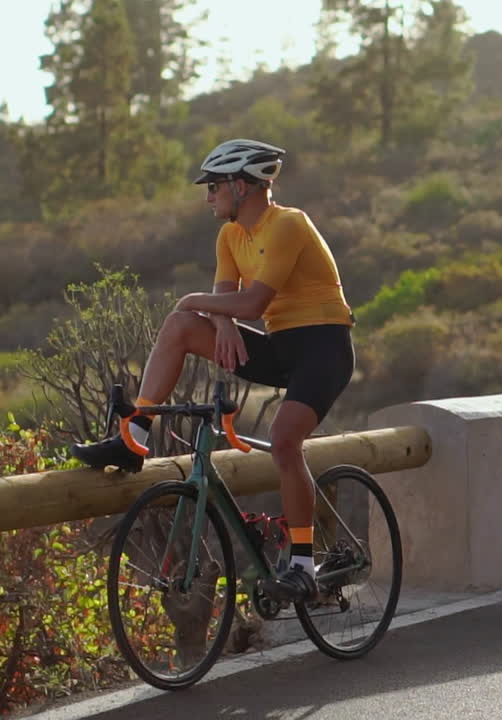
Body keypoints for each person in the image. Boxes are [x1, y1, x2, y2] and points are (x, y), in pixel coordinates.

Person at [70, 138, 356, 604]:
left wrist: (198, 302)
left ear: (241, 186)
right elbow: (226, 297)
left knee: (285, 441)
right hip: (280, 346)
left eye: (213, 187)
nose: (208, 198)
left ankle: (303, 566)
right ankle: (134, 435)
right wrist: (219, 320)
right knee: (181, 326)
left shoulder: (289, 224)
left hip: (323, 348)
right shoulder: (229, 236)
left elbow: (253, 303)